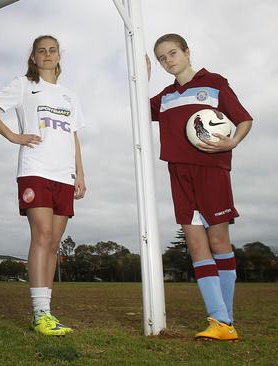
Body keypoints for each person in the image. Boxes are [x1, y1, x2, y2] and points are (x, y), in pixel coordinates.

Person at [0, 35, 86, 336]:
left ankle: (47, 313)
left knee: (54, 244)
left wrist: (80, 173)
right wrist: (13, 136)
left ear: (59, 56)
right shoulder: (24, 85)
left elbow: (73, 136)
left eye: (52, 50)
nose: (48, 54)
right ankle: (40, 315)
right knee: (43, 235)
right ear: (34, 58)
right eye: (42, 51)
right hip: (35, 169)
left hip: (64, 176)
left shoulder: (69, 96)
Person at [149, 33, 252, 341]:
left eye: (172, 53)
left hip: (212, 168)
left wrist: (233, 140)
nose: (168, 61)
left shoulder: (215, 83)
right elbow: (136, 109)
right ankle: (220, 320)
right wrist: (141, 77)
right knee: (195, 244)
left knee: (218, 240)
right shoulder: (165, 97)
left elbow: (244, 119)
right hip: (178, 173)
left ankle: (225, 320)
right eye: (162, 58)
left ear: (186, 51)